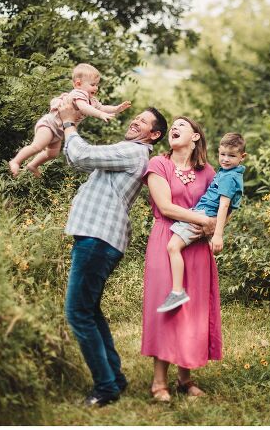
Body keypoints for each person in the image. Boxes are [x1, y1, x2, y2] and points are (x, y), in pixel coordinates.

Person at [58, 97, 167, 407]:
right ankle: (114, 378)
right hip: (99, 238)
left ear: (154, 135)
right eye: (136, 118)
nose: (135, 122)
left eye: (144, 122)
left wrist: (68, 123)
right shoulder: (129, 152)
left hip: (98, 238)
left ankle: (105, 387)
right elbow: (74, 157)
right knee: (89, 310)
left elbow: (81, 155)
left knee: (77, 312)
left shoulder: (132, 152)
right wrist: (71, 130)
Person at [141, 117, 222, 402]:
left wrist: (215, 227)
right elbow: (165, 206)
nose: (174, 128)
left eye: (181, 125)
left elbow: (222, 203)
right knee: (168, 307)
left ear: (196, 136)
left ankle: (185, 379)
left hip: (197, 246)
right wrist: (202, 219)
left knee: (194, 310)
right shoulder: (159, 165)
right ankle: (159, 382)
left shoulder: (209, 171)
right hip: (166, 240)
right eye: (172, 126)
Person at [157, 132, 246, 312]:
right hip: (201, 213)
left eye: (232, 155)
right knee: (174, 246)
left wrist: (218, 235)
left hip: (203, 215)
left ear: (242, 157)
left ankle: (177, 291)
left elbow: (225, 206)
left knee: (173, 247)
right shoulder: (228, 173)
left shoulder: (229, 177)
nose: (226, 159)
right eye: (223, 154)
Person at [8, 63, 132, 177]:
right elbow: (84, 107)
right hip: (50, 125)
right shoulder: (78, 94)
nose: (96, 88)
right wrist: (99, 115)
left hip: (59, 131)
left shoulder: (92, 100)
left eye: (97, 84)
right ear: (78, 84)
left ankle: (33, 165)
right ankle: (16, 161)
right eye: (93, 85)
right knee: (37, 146)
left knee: (52, 154)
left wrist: (117, 109)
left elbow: (103, 107)